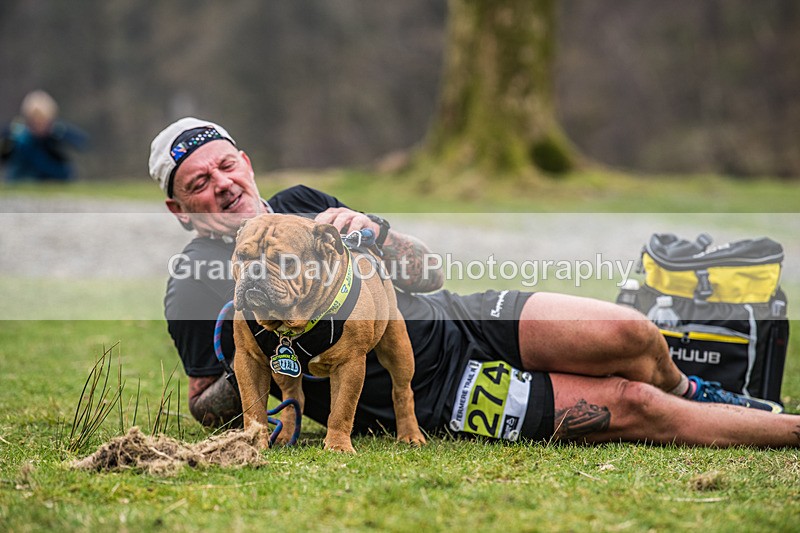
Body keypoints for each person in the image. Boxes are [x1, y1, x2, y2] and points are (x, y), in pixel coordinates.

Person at [149, 117, 800, 448]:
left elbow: (430, 271)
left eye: (225, 165)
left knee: (628, 331)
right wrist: (260, 332)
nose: (222, 185)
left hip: (453, 314)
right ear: (182, 211)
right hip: (434, 393)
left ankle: (703, 388)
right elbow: (206, 405)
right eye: (198, 184)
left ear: (246, 162)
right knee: (633, 403)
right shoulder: (196, 283)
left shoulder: (306, 202)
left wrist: (373, 233)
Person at [1, 90, 88, 182]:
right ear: (28, 120)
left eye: (43, 121)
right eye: (35, 121)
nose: (39, 125)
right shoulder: (19, 135)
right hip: (23, 176)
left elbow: (82, 142)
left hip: (51, 176)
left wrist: (58, 133)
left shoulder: (56, 132)